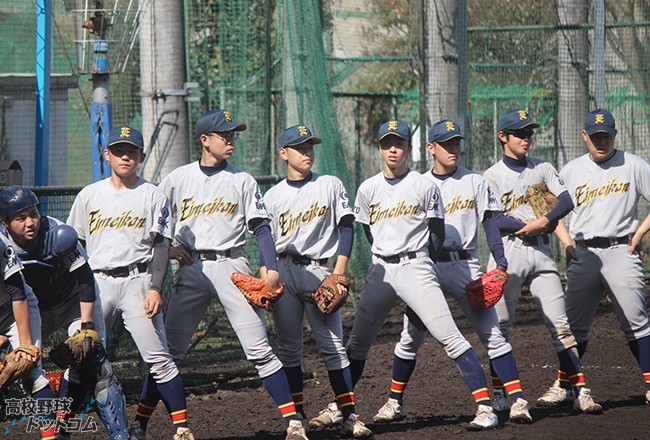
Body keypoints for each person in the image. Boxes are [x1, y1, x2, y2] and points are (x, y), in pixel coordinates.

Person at [155, 110, 307, 440]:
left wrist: (271, 268)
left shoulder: (242, 179)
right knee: (167, 355)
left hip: (232, 266)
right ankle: (150, 426)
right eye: (224, 135)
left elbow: (261, 227)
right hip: (192, 268)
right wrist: (168, 249)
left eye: (233, 134)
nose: (231, 140)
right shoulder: (177, 179)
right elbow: (155, 224)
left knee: (259, 349)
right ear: (204, 140)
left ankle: (294, 423)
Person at [371, 119, 532, 425]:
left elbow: (491, 223)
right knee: (409, 338)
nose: (453, 148)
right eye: (446, 144)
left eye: (456, 142)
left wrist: (500, 261)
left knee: (493, 334)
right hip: (425, 267)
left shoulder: (475, 181)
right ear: (431, 148)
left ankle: (517, 400)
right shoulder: (416, 183)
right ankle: (393, 401)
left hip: (464, 266)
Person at [344, 119, 499, 430]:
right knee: (357, 344)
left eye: (398, 143)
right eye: (387, 143)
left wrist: (423, 268)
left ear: (409, 148)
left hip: (415, 267)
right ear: (379, 148)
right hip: (381, 269)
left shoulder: (424, 186)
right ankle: (340, 407)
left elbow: (437, 234)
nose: (393, 149)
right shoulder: (368, 188)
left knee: (449, 337)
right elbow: (368, 232)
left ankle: (486, 408)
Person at [66, 126, 194, 440]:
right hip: (97, 282)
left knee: (159, 359)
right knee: (81, 356)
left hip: (139, 281)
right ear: (106, 154)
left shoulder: (153, 194)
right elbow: (73, 244)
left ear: (141, 156)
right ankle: (60, 427)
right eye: (119, 151)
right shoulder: (89, 195)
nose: (125, 157)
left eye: (132, 151)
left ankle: (181, 429)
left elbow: (162, 245)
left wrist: (155, 288)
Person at [482, 108, 602, 413]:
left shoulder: (543, 167)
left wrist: (545, 222)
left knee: (562, 326)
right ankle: (499, 394)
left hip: (541, 251)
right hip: (509, 250)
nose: (526, 138)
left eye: (529, 133)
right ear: (503, 137)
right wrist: (529, 224)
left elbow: (566, 201)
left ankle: (580, 390)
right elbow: (494, 220)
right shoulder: (492, 175)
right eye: (519, 133)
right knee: (502, 329)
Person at [263, 124, 372, 438]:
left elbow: (347, 226)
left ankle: (349, 416)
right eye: (300, 147)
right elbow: (265, 242)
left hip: (320, 273)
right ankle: (297, 418)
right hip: (284, 270)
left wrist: (339, 272)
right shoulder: (273, 196)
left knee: (333, 347)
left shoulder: (330, 184)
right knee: (289, 349)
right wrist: (266, 277)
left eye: (309, 146)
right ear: (283, 153)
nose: (307, 152)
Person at [0, 185, 132, 439]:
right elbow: (17, 295)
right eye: (21, 218)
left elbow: (85, 279)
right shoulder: (2, 244)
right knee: (29, 369)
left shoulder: (58, 235)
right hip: (34, 307)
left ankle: (119, 434)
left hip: (73, 302)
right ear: (5, 222)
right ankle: (56, 431)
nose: (30, 222)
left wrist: (86, 326)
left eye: (33, 214)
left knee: (94, 363)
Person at [555, 108, 650, 405]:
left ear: (614, 134)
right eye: (595, 136)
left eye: (606, 136)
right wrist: (567, 244)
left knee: (636, 321)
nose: (601, 141)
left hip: (621, 249)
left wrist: (639, 234)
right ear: (584, 136)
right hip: (583, 252)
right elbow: (550, 212)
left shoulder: (634, 165)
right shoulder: (571, 170)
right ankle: (564, 386)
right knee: (574, 326)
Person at [0, 220, 56, 439]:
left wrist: (25, 346)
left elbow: (18, 294)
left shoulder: (1, 245)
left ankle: (50, 436)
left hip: (15, 307)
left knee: (32, 372)